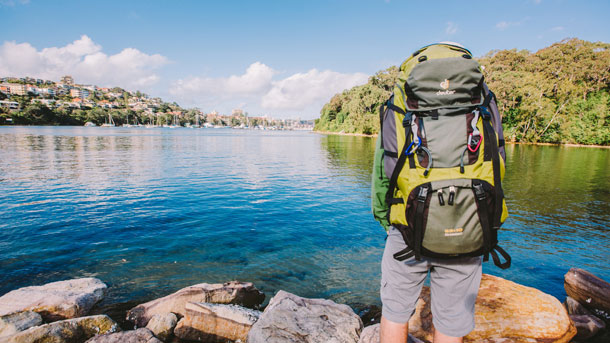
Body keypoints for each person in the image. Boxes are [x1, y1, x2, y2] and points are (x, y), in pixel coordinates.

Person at [372, 132, 483, 343]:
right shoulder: (479, 99)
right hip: (464, 228)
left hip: (407, 227)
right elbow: (495, 165)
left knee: (395, 310)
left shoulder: (404, 100)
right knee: (451, 320)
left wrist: (385, 219)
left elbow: (382, 171)